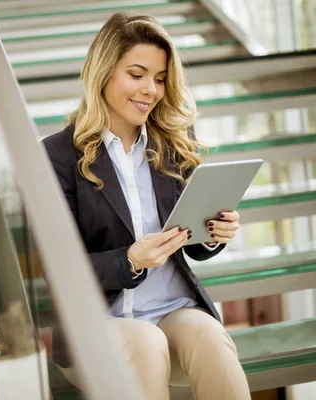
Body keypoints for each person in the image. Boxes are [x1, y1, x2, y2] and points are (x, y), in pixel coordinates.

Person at [42, 12, 251, 400]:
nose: (150, 90)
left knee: (210, 335)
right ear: (103, 73)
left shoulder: (173, 140)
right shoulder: (57, 155)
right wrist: (131, 260)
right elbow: (62, 271)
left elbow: (190, 240)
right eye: (136, 75)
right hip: (100, 323)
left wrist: (212, 233)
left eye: (158, 78)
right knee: (145, 342)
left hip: (172, 308)